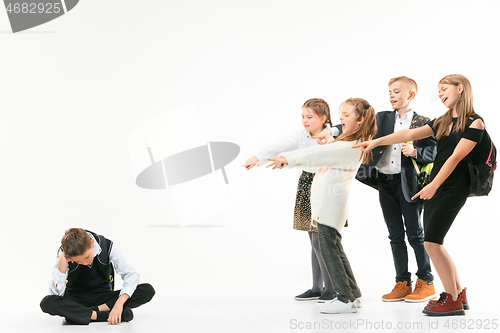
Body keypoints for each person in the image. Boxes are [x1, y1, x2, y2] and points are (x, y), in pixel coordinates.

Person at [354, 74, 484, 316]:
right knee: (433, 242)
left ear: (461, 89)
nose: (440, 94)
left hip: (452, 187)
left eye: (444, 89)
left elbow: (455, 158)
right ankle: (455, 293)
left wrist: (433, 184)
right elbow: (407, 135)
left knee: (430, 241)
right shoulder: (443, 120)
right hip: (434, 186)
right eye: (438, 90)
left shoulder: (474, 122)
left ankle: (450, 298)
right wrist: (375, 143)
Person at [268, 98, 377, 314]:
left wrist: (287, 159)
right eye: (341, 114)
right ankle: (353, 294)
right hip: (331, 205)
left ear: (360, 119)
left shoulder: (348, 145)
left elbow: (315, 155)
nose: (341, 119)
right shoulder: (349, 141)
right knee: (336, 249)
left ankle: (344, 299)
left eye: (346, 115)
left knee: (329, 251)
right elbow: (319, 157)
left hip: (330, 206)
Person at [243, 98, 342, 302]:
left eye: (310, 117)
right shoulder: (302, 135)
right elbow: (281, 145)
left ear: (323, 118)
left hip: (325, 186)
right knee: (312, 239)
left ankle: (332, 288)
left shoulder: (333, 137)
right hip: (307, 183)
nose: (305, 121)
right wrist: (257, 158)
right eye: (303, 116)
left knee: (322, 241)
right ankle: (317, 287)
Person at [40, 228, 155, 325]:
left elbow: (130, 275)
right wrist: (63, 263)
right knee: (47, 302)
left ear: (92, 243)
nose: (85, 263)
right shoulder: (64, 254)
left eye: (86, 257)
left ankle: (80, 315)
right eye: (78, 261)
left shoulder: (107, 245)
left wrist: (119, 303)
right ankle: (102, 315)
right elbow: (55, 295)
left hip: (103, 297)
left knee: (147, 290)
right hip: (76, 297)